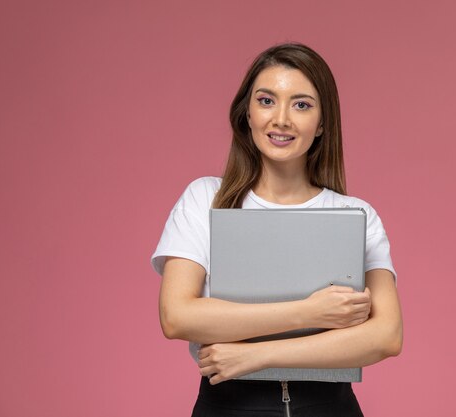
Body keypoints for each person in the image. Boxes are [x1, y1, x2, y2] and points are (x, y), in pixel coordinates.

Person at [152, 43, 403, 417]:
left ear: (321, 124)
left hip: (329, 407)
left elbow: (386, 336)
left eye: (301, 104)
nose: (281, 119)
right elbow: (177, 317)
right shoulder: (206, 198)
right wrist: (311, 312)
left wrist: (255, 355)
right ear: (247, 114)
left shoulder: (354, 214)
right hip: (228, 407)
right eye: (267, 100)